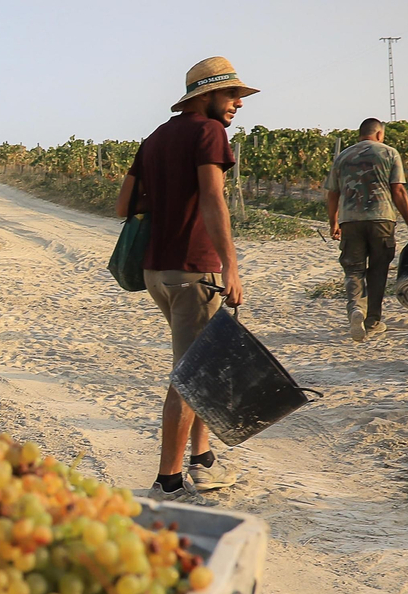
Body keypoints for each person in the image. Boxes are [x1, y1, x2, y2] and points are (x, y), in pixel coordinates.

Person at [114, 56, 255, 500]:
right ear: (206, 96)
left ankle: (204, 462)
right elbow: (214, 199)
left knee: (203, 364)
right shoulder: (208, 132)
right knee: (190, 375)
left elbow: (123, 207)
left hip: (157, 270)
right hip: (196, 269)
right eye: (231, 94)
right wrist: (230, 266)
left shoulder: (156, 137)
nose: (237, 103)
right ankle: (168, 481)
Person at [325, 118, 408, 341]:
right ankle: (373, 320)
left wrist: (333, 222)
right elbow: (398, 191)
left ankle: (356, 309)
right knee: (378, 270)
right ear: (379, 134)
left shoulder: (343, 157)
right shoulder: (389, 153)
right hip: (382, 220)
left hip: (350, 221)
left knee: (353, 269)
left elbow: (332, 193)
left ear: (361, 134)